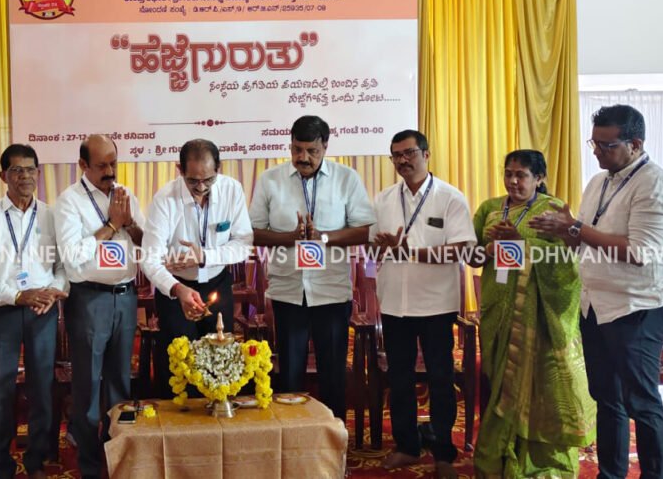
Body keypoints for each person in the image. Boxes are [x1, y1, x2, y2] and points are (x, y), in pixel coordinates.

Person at [531, 105, 663, 479]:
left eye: (606, 145)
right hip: (596, 306)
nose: (597, 152)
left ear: (635, 144)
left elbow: (641, 253)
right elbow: (582, 241)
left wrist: (576, 229)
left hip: (638, 307)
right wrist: (562, 231)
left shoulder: (655, 186)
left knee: (642, 402)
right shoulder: (599, 182)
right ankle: (610, 474)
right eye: (594, 143)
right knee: (606, 398)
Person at [470, 149, 595, 478]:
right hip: (498, 310)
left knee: (540, 387)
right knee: (499, 383)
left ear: (539, 178)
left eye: (521, 175)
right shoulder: (490, 209)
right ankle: (498, 456)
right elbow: (472, 257)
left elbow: (567, 264)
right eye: (508, 173)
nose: (513, 181)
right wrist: (489, 248)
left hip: (538, 319)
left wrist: (520, 244)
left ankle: (538, 461)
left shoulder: (553, 211)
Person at [249, 115, 374, 419]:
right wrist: (290, 238)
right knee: (290, 375)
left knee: (333, 374)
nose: (303, 157)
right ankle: (292, 438)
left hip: (331, 292)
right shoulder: (270, 180)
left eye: (312, 151)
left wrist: (324, 237)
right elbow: (253, 232)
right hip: (288, 292)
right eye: (297, 149)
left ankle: (333, 437)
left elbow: (364, 230)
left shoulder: (346, 179)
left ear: (326, 147)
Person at [369, 130, 476, 478]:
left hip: (436, 305)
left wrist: (411, 251)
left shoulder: (450, 198)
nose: (403, 160)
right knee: (399, 379)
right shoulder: (384, 199)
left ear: (426, 154)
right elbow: (371, 249)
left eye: (409, 153)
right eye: (396, 155)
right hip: (395, 304)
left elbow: (461, 249)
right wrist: (380, 248)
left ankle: (444, 453)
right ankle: (407, 446)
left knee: (441, 379)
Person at [0, 143, 67, 479]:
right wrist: (16, 295)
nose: (25, 176)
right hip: (1, 313)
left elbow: (64, 266)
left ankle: (36, 460)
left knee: (42, 389)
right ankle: (1, 463)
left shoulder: (52, 216)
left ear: (38, 173)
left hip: (42, 313)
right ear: (3, 176)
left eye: (30, 169)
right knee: (0, 390)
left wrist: (54, 291)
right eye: (17, 170)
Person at [54, 134, 144, 479]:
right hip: (89, 299)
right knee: (88, 385)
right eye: (102, 165)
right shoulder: (69, 202)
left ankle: (118, 458)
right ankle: (90, 466)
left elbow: (147, 242)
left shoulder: (125, 195)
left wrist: (129, 223)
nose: (110, 171)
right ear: (83, 165)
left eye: (114, 163)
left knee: (120, 382)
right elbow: (72, 255)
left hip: (125, 296)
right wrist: (111, 225)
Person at [141, 139, 253, 397]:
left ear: (219, 169)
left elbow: (243, 245)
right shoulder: (165, 199)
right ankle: (180, 419)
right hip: (176, 289)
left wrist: (204, 256)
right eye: (192, 181)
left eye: (208, 180)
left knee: (220, 362)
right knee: (181, 365)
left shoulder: (232, 191)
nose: (201, 187)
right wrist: (177, 289)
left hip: (217, 284)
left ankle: (218, 415)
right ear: (179, 169)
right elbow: (149, 259)